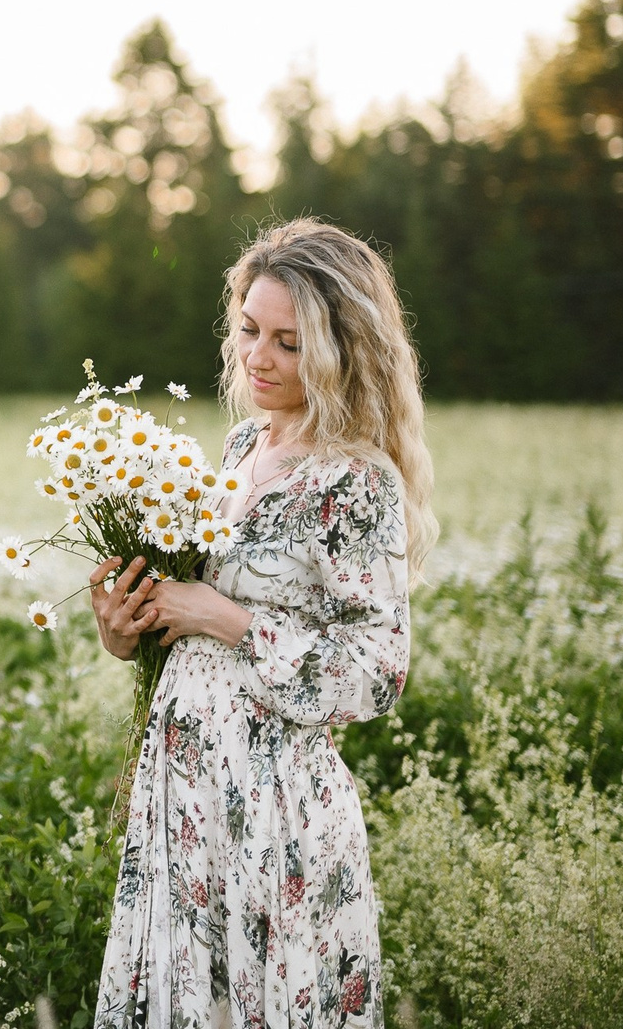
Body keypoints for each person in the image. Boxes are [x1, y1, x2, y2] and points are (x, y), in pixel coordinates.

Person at [89, 219, 437, 1029]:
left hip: (272, 808)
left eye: (288, 341)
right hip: (183, 797)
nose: (258, 357)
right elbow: (193, 625)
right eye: (249, 330)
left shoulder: (355, 481)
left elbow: (378, 672)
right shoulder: (243, 444)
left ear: (340, 348)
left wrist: (227, 616)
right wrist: (126, 628)